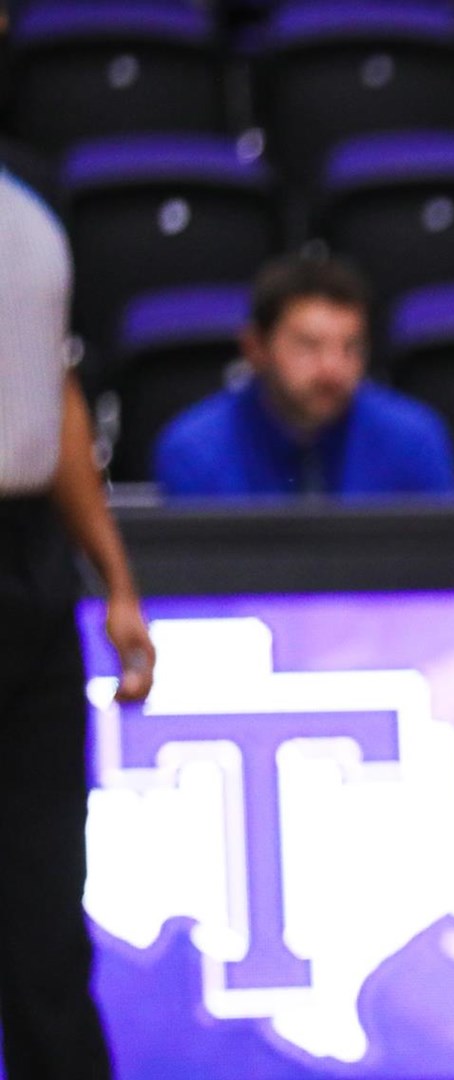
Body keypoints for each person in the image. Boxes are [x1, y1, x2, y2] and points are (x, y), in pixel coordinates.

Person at [1, 167, 156, 1079]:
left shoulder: (25, 214)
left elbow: (48, 392)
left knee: (47, 926)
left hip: (28, 567)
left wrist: (115, 578)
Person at [153, 256, 454, 498]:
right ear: (255, 348)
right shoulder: (194, 450)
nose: (333, 368)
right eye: (309, 346)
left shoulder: (414, 440)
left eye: (351, 347)